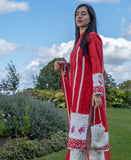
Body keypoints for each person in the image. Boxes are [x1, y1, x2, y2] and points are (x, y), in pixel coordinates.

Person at [54, 3, 111, 160]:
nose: (79, 16)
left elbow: (97, 65)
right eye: (77, 14)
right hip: (78, 100)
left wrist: (97, 93)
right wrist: (65, 65)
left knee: (93, 141)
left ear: (90, 18)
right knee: (78, 141)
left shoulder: (93, 37)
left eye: (83, 14)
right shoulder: (78, 42)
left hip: (89, 97)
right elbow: (80, 68)